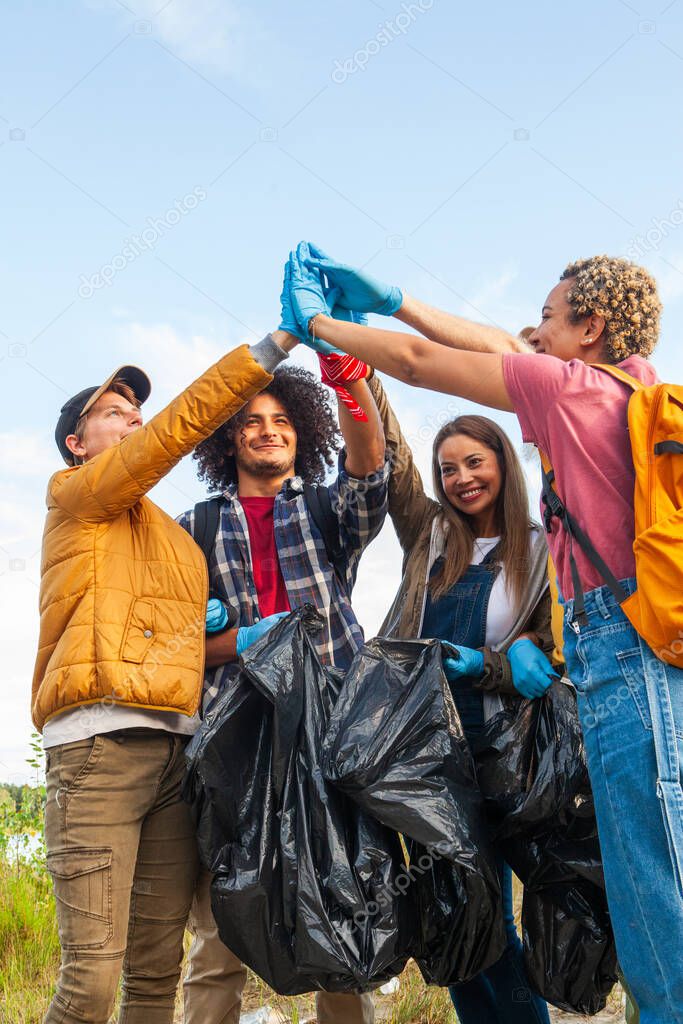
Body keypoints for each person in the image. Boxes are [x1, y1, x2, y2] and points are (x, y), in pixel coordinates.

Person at [286, 243, 682, 1024]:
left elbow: (417, 361)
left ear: (590, 328)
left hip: (621, 647)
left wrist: (321, 323)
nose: (527, 333)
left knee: (650, 872)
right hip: (640, 649)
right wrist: (396, 295)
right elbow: (498, 346)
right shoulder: (622, 390)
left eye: (545, 316)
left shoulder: (565, 393)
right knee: (649, 861)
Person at [33, 330, 296, 1024]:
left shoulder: (175, 539)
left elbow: (189, 642)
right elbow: (167, 439)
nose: (135, 419)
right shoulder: (77, 499)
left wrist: (228, 632)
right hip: (98, 754)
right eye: (115, 410)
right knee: (90, 983)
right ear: (77, 444)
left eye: (136, 411)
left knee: (155, 977)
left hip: (177, 754)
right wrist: (271, 349)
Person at [177, 296, 388, 1024]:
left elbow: (368, 476)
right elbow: (169, 643)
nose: (267, 433)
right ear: (227, 440)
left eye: (282, 422)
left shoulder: (324, 511)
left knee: (336, 903)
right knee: (219, 922)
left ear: (303, 436)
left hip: (329, 729)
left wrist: (348, 376)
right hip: (232, 740)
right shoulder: (191, 529)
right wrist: (236, 640)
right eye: (251, 422)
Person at [366, 367, 555, 1023]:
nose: (460, 479)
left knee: (493, 915)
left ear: (502, 463)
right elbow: (392, 468)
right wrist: (358, 375)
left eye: (473, 462)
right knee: (448, 914)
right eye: (447, 469)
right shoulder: (430, 536)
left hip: (501, 755)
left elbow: (553, 660)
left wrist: (488, 664)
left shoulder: (539, 550)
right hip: (423, 755)